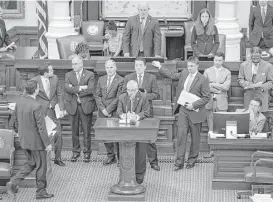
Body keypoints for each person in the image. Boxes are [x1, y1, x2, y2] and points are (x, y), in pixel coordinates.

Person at [153, 56, 210, 171]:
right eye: (188, 66)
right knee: (181, 136)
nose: (189, 68)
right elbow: (173, 75)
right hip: (183, 110)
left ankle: (191, 160)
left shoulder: (203, 79)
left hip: (195, 111)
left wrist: (193, 105)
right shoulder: (184, 73)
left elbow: (206, 97)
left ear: (197, 66)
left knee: (195, 138)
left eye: (192, 66)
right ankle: (179, 162)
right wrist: (160, 67)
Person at [7, 80, 54, 200]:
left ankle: (13, 182)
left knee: (32, 163)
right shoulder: (37, 105)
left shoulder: (19, 102)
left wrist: (20, 132)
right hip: (36, 143)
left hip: (24, 140)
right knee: (41, 166)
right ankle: (41, 191)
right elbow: (42, 128)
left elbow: (13, 122)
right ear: (36, 90)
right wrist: (47, 144)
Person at [122, 57, 160, 171]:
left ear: (145, 66)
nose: (138, 67)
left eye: (140, 65)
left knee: (149, 139)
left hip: (146, 111)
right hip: (132, 111)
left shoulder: (151, 77)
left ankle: (153, 162)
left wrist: (144, 96)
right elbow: (124, 93)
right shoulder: (128, 77)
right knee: (131, 137)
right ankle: (131, 162)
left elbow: (156, 95)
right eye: (136, 65)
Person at [31, 62, 66, 167]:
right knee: (41, 134)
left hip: (52, 111)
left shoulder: (55, 78)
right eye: (51, 70)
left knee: (58, 134)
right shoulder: (34, 81)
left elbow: (59, 93)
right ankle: (41, 160)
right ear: (45, 73)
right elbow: (29, 96)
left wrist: (61, 108)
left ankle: (57, 158)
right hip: (40, 112)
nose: (53, 71)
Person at [117, 80, 150, 184]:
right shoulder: (122, 97)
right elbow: (119, 112)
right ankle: (125, 176)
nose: (130, 92)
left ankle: (139, 178)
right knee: (125, 151)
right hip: (125, 130)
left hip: (140, 129)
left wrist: (136, 116)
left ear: (137, 89)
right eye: (128, 90)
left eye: (132, 90)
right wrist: (124, 115)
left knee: (140, 154)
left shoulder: (143, 97)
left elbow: (146, 112)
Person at [64, 55, 96, 162]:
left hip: (85, 105)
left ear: (82, 63)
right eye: (72, 64)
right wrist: (81, 88)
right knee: (74, 131)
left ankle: (87, 152)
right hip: (73, 106)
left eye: (76, 63)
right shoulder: (68, 75)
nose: (74, 66)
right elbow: (67, 89)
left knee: (86, 131)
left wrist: (75, 89)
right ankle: (75, 152)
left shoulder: (90, 74)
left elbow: (91, 89)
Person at [94, 59, 124, 166]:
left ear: (115, 67)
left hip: (114, 112)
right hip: (102, 112)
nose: (109, 69)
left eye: (111, 67)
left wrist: (108, 110)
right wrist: (103, 109)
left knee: (116, 136)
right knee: (105, 135)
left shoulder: (121, 80)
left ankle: (120, 158)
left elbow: (119, 97)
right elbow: (97, 95)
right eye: (107, 67)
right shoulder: (101, 79)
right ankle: (111, 156)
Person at [203, 52, 231, 158]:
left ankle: (222, 151)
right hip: (210, 103)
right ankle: (211, 150)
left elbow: (226, 87)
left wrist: (213, 84)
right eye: (215, 60)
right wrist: (218, 87)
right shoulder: (207, 71)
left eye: (219, 60)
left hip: (222, 103)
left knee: (222, 128)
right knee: (211, 128)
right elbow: (205, 86)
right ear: (213, 60)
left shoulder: (227, 72)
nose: (217, 62)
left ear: (223, 61)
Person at [238, 46, 273, 112]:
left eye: (257, 58)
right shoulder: (243, 65)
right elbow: (240, 80)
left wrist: (261, 86)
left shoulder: (268, 66)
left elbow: (271, 82)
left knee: (262, 120)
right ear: (250, 55)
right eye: (253, 58)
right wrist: (248, 84)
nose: (255, 60)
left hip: (262, 98)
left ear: (261, 55)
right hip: (248, 98)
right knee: (248, 120)